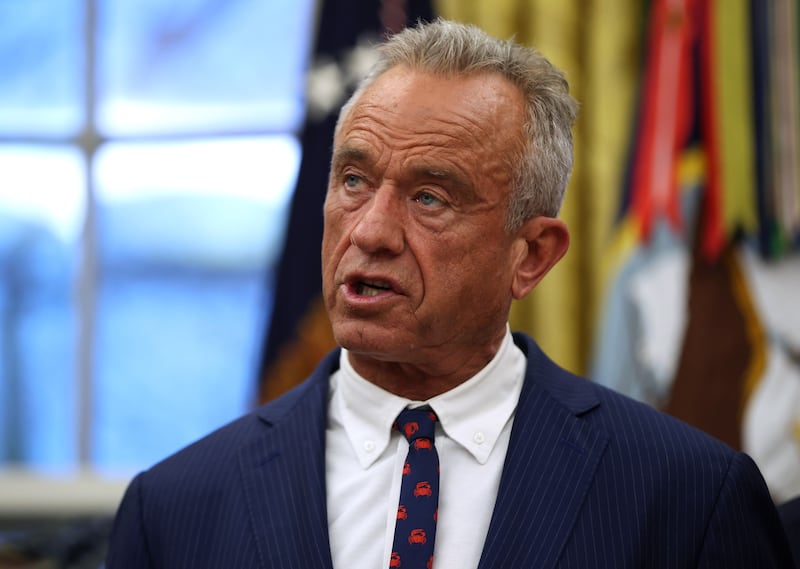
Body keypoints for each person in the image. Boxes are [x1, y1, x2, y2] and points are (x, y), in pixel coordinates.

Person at [106, 19, 794, 568]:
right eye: (353, 181)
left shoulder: (688, 496)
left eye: (430, 197)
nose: (370, 231)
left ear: (531, 256)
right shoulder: (175, 509)